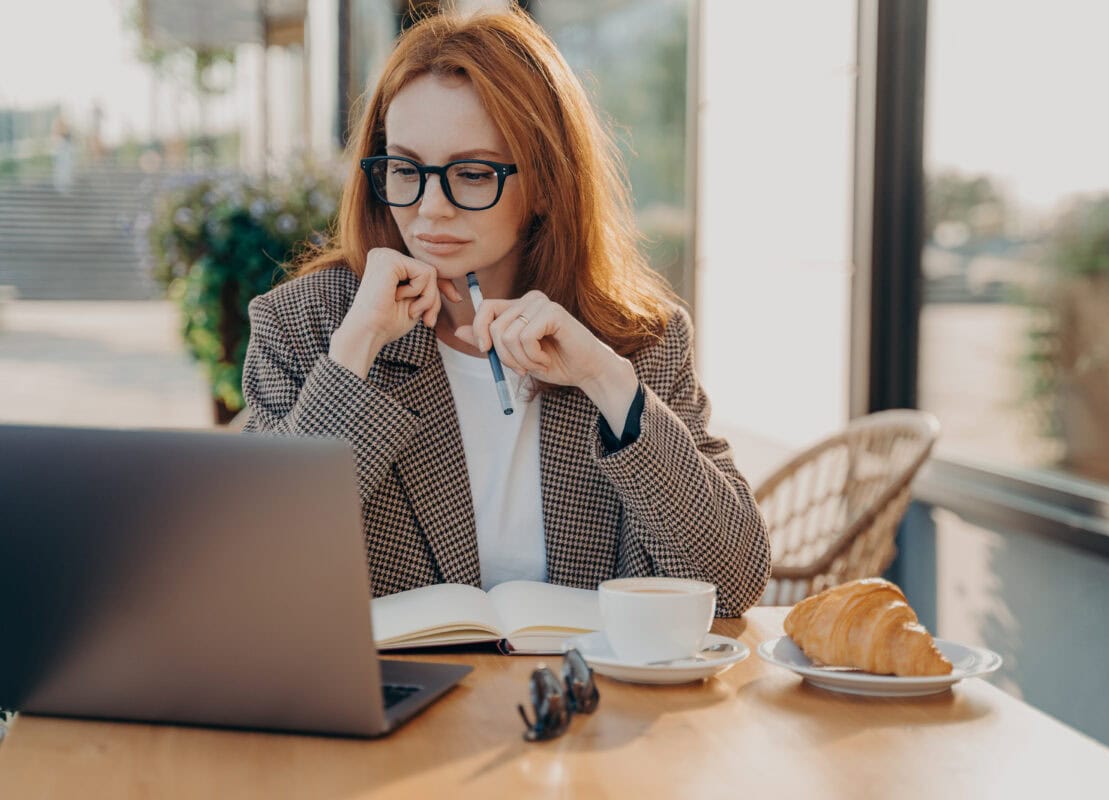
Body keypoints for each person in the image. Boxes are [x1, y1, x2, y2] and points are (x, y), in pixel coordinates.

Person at [241, 6, 770, 617]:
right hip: (400, 704)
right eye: (406, 169)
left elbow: (733, 583)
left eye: (470, 173)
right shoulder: (308, 325)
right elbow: (258, 574)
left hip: (589, 705)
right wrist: (353, 353)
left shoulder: (637, 341)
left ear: (546, 181)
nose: (430, 209)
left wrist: (607, 380)